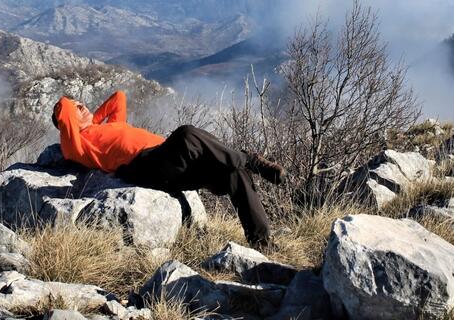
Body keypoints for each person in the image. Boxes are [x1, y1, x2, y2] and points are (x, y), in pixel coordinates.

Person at [51, 91, 286, 246]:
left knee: (235, 172)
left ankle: (261, 242)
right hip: (146, 167)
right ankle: (250, 159)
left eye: (81, 104)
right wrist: (71, 107)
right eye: (76, 108)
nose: (80, 106)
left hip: (171, 163)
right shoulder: (78, 145)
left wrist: (92, 118)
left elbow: (119, 98)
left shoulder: (109, 126)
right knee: (187, 133)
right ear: (66, 122)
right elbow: (63, 107)